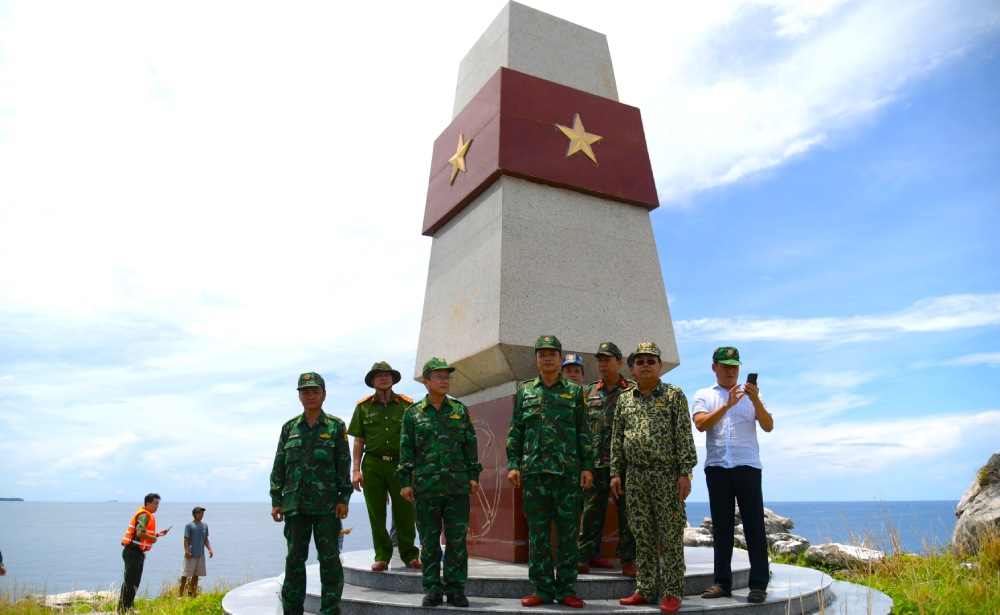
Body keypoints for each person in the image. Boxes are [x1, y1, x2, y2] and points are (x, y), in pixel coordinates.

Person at [507, 335, 594, 608]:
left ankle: (567, 589)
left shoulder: (574, 392)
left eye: (552, 354)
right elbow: (516, 431)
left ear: (559, 358)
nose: (547, 358)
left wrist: (588, 466)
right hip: (534, 472)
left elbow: (583, 432)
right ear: (536, 359)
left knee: (569, 534)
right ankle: (543, 589)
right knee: (539, 534)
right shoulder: (525, 391)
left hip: (568, 472)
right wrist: (513, 465)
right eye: (542, 354)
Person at [611, 342, 697, 614]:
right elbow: (617, 437)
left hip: (666, 475)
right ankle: (646, 589)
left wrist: (685, 472)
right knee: (642, 535)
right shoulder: (625, 398)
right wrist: (615, 472)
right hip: (635, 475)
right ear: (632, 368)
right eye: (641, 361)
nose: (646, 364)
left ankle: (672, 591)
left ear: (660, 366)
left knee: (670, 536)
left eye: (651, 360)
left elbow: (684, 435)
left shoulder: (673, 395)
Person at [398, 357, 483, 608]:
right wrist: (405, 481)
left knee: (457, 542)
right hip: (426, 488)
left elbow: (470, 444)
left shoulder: (459, 410)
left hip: (457, 486)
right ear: (426, 382)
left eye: (447, 376)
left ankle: (456, 589)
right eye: (439, 376)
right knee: (429, 542)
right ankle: (432, 589)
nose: (445, 380)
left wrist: (473, 475)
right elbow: (406, 450)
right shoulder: (413, 414)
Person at [692, 346, 774, 604]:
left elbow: (768, 426)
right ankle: (722, 583)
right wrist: (728, 405)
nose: (730, 370)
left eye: (734, 366)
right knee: (722, 527)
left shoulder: (752, 396)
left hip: (747, 466)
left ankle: (758, 585)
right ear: (714, 367)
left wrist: (756, 400)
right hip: (717, 467)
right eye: (725, 365)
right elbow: (702, 424)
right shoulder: (704, 394)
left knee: (754, 526)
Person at [270, 372, 352, 615]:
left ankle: (330, 610)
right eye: (305, 391)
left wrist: (343, 499)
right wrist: (276, 500)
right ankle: (292, 611)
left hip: (327, 506)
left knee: (330, 562)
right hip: (295, 506)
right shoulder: (289, 428)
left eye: (315, 391)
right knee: (294, 561)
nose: (310, 395)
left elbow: (343, 464)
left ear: (324, 395)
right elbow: (279, 465)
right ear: (299, 396)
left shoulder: (336, 427)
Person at [347, 361, 420, 571]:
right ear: (372, 381)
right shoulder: (363, 406)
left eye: (387, 374)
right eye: (379, 375)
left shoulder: (407, 405)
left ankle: (410, 555)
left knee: (405, 511)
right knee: (376, 513)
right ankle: (382, 557)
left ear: (393, 378)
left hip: (400, 464)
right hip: (372, 464)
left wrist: (413, 467)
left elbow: (415, 439)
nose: (383, 378)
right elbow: (359, 440)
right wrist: (355, 470)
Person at [577, 341, 637, 577]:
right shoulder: (589, 391)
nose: (602, 364)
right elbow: (581, 429)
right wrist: (585, 464)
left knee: (628, 514)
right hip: (596, 464)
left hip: (624, 465)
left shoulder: (632, 390)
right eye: (599, 360)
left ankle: (628, 560)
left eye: (607, 360)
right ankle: (582, 556)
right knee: (591, 512)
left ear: (619, 363)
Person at [118, 493, 170, 613]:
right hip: (133, 552)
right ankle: (124, 609)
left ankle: (127, 607)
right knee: (131, 582)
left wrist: (156, 534)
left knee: (134, 581)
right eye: (155, 504)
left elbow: (142, 535)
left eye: (158, 504)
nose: (157, 506)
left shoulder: (147, 515)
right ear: (148, 504)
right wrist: (153, 539)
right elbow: (140, 533)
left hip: (136, 552)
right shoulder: (144, 515)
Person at [178, 507, 213, 597]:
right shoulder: (189, 525)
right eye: (198, 513)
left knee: (196, 575)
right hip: (191, 554)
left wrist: (210, 549)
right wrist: (186, 551)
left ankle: (193, 594)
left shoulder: (205, 525)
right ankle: (180, 595)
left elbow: (206, 539)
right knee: (185, 575)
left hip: (200, 554)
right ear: (194, 514)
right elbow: (186, 539)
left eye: (202, 513)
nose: (201, 515)